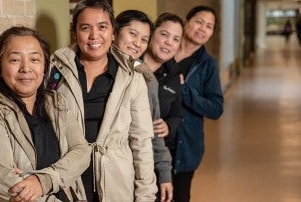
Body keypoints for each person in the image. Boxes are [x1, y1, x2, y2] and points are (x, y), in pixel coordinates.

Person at [48, 0, 158, 201]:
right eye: (85, 28)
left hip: (115, 183)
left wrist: (146, 196)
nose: (94, 36)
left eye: (102, 27)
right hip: (67, 180)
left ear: (113, 33)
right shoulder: (56, 71)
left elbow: (141, 142)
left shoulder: (132, 78)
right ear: (75, 32)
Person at [0, 26, 91, 202]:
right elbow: (11, 189)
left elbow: (82, 151)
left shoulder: (55, 102)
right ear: (0, 66)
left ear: (45, 66)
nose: (26, 68)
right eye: (15, 60)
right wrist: (60, 175)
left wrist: (44, 181)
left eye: (34, 59)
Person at [113, 10, 184, 202]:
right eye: (164, 34)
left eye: (176, 39)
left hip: (139, 162)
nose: (169, 42)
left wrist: (163, 172)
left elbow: (162, 123)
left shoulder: (156, 79)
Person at [170, 6, 224, 202]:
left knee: (180, 196)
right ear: (186, 22)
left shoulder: (207, 64)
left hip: (185, 145)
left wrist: (184, 90)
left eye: (209, 26)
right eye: (199, 22)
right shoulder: (164, 50)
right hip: (154, 140)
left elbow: (216, 108)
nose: (203, 28)